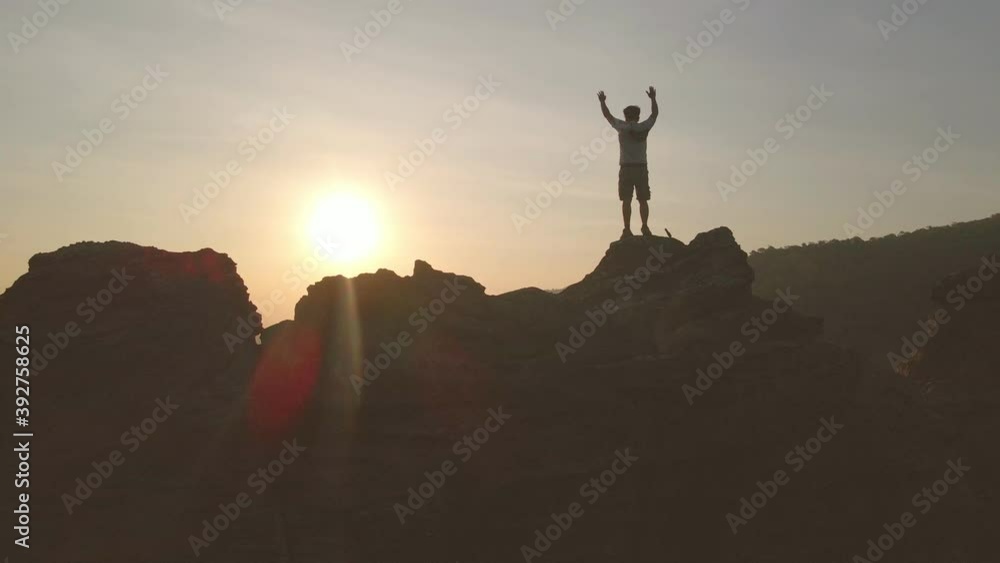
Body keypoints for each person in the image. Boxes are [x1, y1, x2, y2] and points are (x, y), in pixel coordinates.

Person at [598, 87, 670, 240]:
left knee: (626, 200)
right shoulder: (643, 127)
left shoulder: (622, 127)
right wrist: (653, 98)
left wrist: (603, 102)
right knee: (643, 200)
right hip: (641, 167)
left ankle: (627, 229)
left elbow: (607, 115)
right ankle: (645, 226)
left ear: (625, 116)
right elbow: (654, 115)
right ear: (638, 116)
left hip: (626, 168)